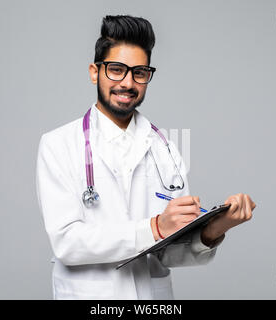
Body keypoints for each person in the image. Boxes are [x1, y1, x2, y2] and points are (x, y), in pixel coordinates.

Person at [36, 14, 256, 300]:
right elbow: (66, 243)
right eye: (116, 69)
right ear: (94, 72)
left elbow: (167, 253)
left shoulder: (165, 148)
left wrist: (212, 231)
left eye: (139, 72)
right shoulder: (58, 144)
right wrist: (153, 227)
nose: (128, 83)